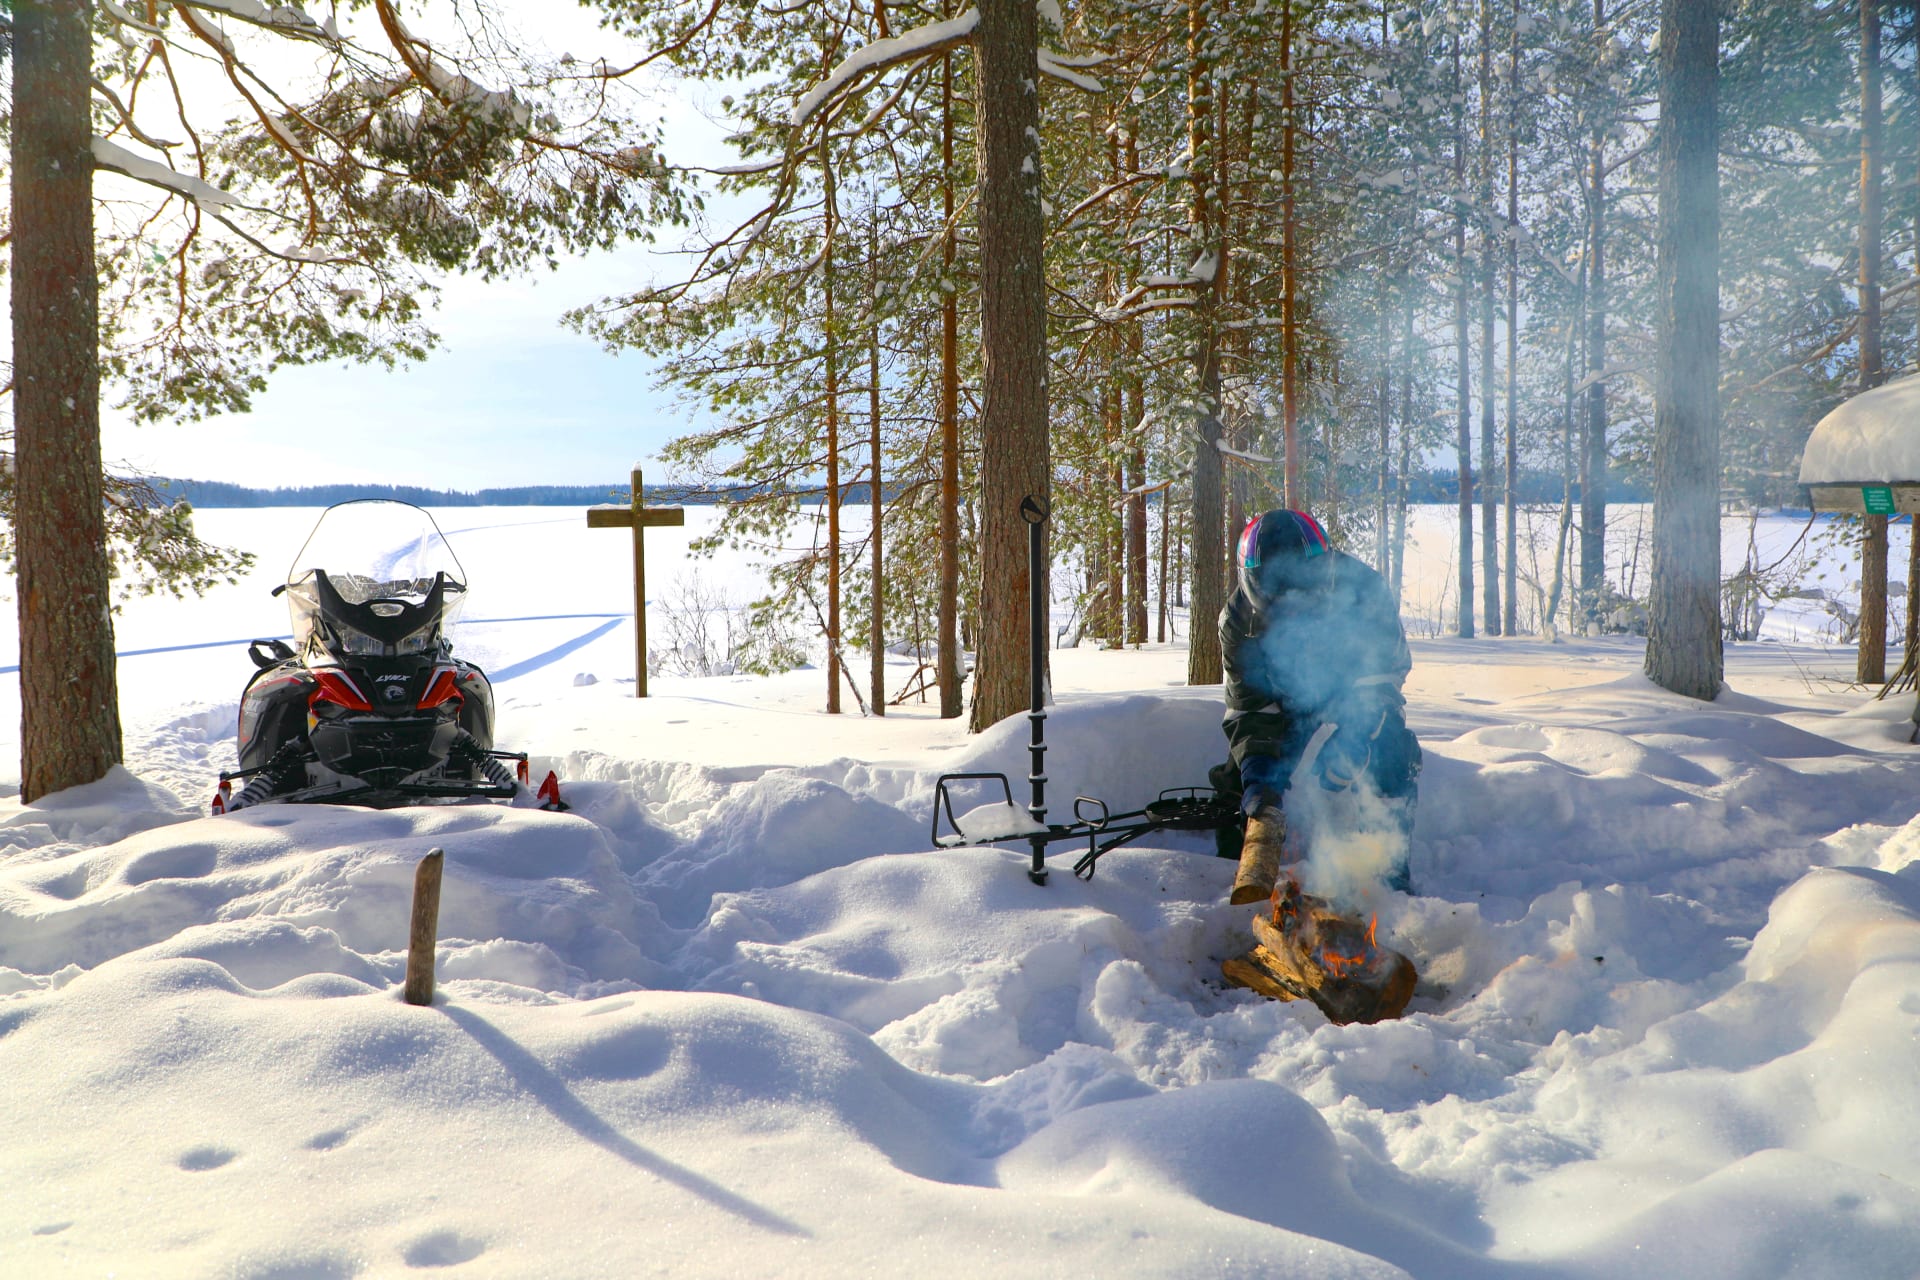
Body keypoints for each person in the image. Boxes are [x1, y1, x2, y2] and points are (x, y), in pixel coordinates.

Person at [1213, 509, 1420, 902]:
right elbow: (1247, 708)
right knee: (1236, 785)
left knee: (1393, 752)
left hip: (1356, 698)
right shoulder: (1238, 620)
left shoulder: (1364, 592)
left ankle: (1391, 878)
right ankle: (1238, 880)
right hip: (1285, 707)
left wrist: (1358, 737)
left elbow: (1385, 678)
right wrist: (1257, 778)